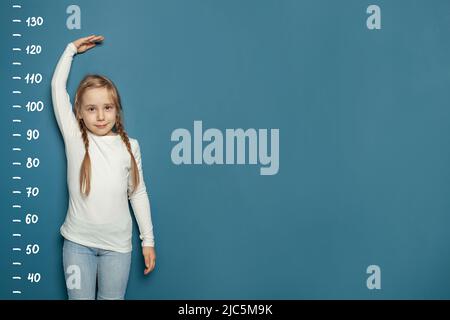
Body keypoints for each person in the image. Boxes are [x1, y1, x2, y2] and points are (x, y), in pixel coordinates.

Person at [51, 34, 156, 300]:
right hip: (77, 245)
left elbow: (138, 193)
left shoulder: (130, 146)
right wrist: (71, 50)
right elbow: (56, 87)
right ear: (79, 112)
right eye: (92, 109)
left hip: (117, 249)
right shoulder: (75, 138)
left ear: (116, 110)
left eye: (107, 108)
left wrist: (148, 241)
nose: (100, 116)